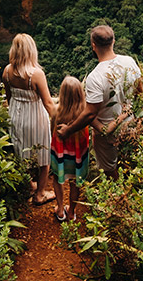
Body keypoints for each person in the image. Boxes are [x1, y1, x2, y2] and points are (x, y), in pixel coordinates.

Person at [57, 25, 141, 180]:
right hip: (131, 124)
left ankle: (117, 198)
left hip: (106, 134)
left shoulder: (95, 77)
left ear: (93, 45)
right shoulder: (129, 61)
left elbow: (90, 113)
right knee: (130, 165)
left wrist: (68, 130)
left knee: (111, 171)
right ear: (113, 41)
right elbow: (140, 90)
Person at [2, 33, 55, 205]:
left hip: (16, 116)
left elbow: (8, 98)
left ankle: (29, 186)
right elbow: (48, 102)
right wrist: (61, 121)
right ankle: (40, 194)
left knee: (21, 153)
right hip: (35, 118)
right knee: (43, 156)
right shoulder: (36, 74)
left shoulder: (7, 71)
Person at [49, 76, 90, 221]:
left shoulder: (56, 111)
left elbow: (52, 131)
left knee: (57, 178)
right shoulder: (84, 114)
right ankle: (71, 212)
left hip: (60, 154)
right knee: (75, 182)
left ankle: (60, 210)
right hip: (77, 156)